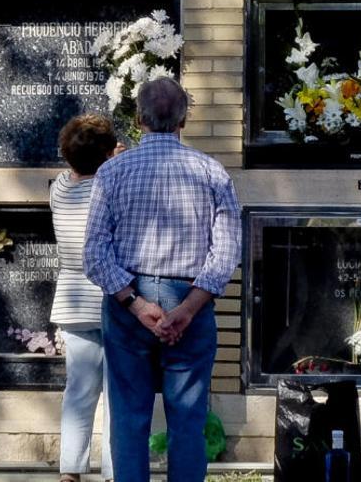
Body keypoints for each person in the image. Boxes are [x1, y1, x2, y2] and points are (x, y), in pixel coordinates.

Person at [83, 77, 241, 482]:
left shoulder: (112, 172)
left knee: (129, 416)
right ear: (184, 120)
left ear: (138, 119)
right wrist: (187, 309)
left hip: (127, 303)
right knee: (188, 420)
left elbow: (95, 252)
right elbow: (225, 252)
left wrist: (135, 303)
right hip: (190, 296)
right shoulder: (212, 172)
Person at [50, 114, 117, 482]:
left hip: (71, 301)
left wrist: (106, 156)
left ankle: (70, 470)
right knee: (116, 393)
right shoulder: (108, 188)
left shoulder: (59, 188)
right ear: (107, 154)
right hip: (109, 298)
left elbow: (80, 166)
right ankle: (112, 470)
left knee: (78, 389)